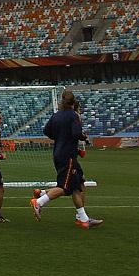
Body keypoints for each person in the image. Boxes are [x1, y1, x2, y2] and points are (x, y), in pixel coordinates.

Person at [32, 90, 101, 228]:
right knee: (66, 187)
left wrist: (59, 137)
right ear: (73, 102)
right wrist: (83, 137)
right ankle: (39, 202)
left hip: (58, 153)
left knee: (78, 184)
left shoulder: (56, 115)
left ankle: (82, 218)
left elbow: (46, 131)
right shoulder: (73, 115)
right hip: (68, 155)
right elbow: (76, 133)